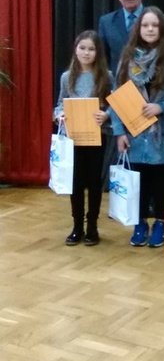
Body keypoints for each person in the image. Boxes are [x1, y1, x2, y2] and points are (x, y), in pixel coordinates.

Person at [111, 6, 164, 248]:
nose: (150, 29)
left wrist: (162, 107)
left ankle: (160, 222)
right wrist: (119, 131)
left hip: (163, 132)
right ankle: (140, 223)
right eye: (145, 25)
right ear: (138, 28)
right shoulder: (128, 56)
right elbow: (116, 96)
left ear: (162, 28)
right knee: (139, 180)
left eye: (155, 25)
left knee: (161, 180)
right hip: (135, 132)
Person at [54, 30, 113, 246]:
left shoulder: (107, 76)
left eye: (91, 49)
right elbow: (60, 104)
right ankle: (77, 226)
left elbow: (115, 105)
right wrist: (59, 115)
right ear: (75, 50)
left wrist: (106, 114)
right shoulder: (66, 77)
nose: (86, 53)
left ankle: (92, 226)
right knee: (76, 182)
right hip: (74, 137)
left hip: (97, 136)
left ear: (98, 52)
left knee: (94, 182)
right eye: (82, 48)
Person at [98, 0, 146, 73]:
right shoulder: (106, 22)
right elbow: (102, 57)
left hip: (150, 80)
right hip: (118, 80)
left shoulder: (156, 20)